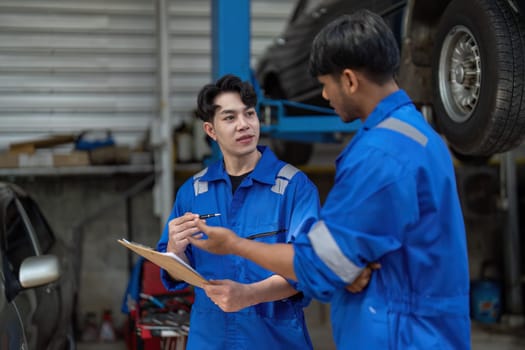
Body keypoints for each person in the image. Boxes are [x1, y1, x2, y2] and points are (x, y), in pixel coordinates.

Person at [189, 10, 471, 350]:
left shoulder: (377, 156)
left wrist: (234, 244)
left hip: (400, 337)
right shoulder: (417, 134)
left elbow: (318, 266)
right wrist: (351, 264)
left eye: (325, 85)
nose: (324, 96)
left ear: (350, 80)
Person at [156, 74, 323, 349]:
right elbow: (174, 272)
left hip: (274, 339)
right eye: (230, 118)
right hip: (209, 338)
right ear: (211, 130)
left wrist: (250, 295)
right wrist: (175, 249)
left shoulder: (294, 188)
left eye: (249, 114)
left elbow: (307, 268)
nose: (244, 125)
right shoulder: (193, 191)